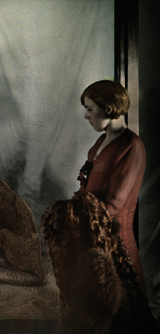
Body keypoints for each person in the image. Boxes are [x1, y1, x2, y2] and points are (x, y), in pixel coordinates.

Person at [77, 80, 146, 286]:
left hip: (116, 246)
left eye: (90, 109)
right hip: (93, 239)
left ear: (108, 108)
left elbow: (113, 205)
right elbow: (85, 188)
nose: (86, 116)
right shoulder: (101, 141)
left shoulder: (131, 146)